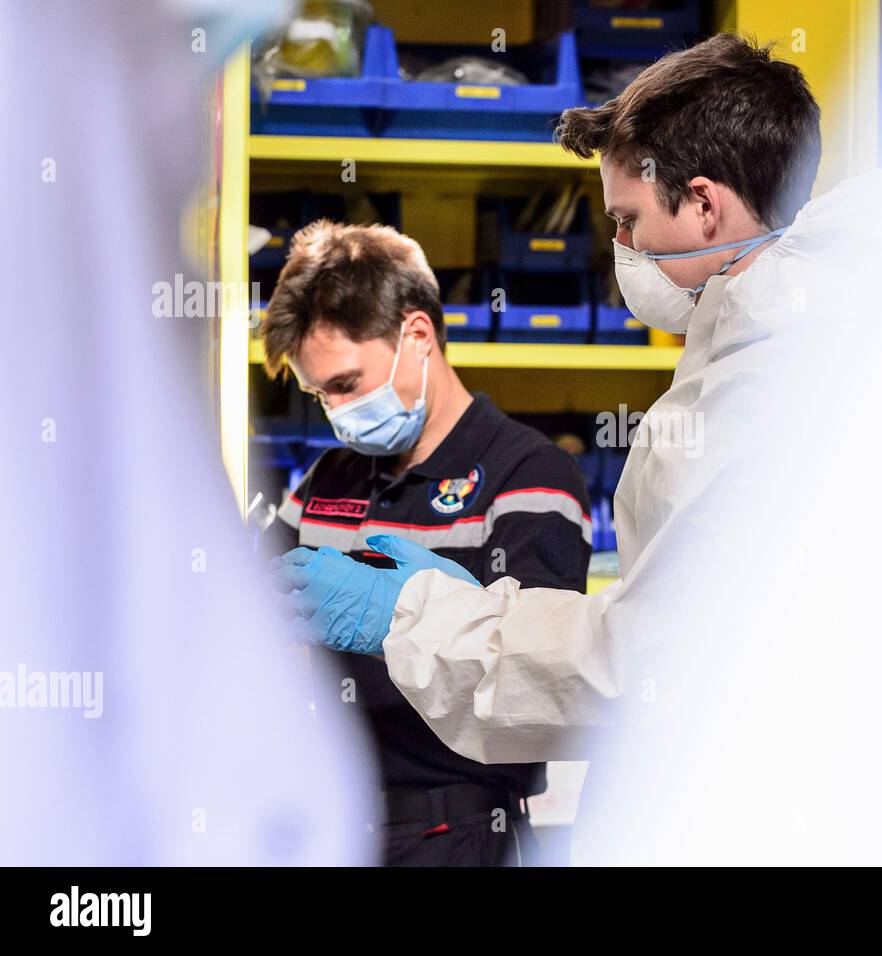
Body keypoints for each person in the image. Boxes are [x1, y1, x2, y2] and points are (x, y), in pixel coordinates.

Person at [273, 35, 831, 765]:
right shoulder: (773, 338)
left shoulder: (778, 383)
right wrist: (465, 611)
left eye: (627, 219)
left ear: (702, 205)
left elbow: (642, 667)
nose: (620, 244)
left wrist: (414, 616)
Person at [261, 221, 592, 866]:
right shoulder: (332, 476)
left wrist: (412, 615)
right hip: (336, 818)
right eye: (317, 394)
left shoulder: (529, 475)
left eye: (346, 384)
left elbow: (538, 689)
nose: (334, 411)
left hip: (457, 830)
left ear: (416, 336)